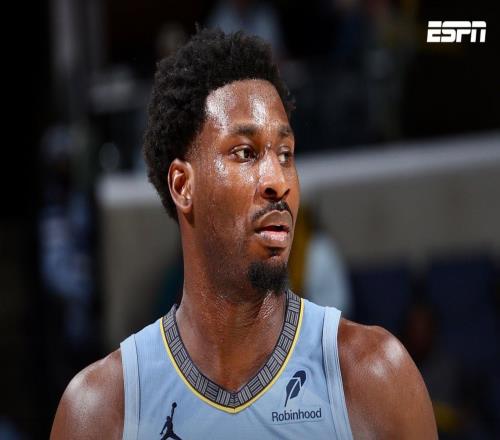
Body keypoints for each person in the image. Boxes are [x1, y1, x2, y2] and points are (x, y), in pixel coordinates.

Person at [51, 29, 437, 439]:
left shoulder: (374, 378)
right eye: (245, 153)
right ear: (183, 185)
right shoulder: (100, 410)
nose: (278, 181)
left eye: (285, 154)